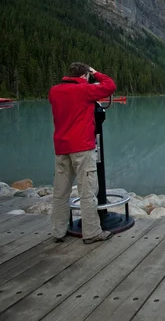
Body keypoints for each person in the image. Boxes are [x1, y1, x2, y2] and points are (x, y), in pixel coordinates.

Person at [48, 62, 116, 244]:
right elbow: (110, 86)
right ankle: (92, 232)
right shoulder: (85, 90)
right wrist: (96, 73)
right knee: (87, 192)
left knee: (60, 191)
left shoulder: (54, 91)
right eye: (88, 75)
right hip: (82, 148)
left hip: (62, 147)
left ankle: (58, 231)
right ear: (85, 76)